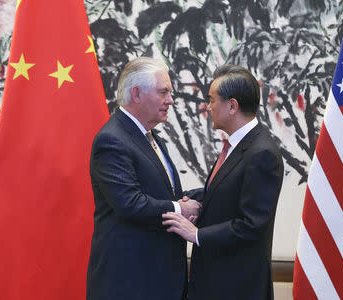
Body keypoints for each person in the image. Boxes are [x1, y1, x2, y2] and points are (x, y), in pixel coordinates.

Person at [163, 64, 284, 300]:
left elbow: (250, 225)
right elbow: (225, 192)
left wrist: (196, 234)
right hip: (216, 283)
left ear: (232, 106)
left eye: (212, 100)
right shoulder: (239, 145)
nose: (208, 107)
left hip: (237, 287)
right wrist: (193, 201)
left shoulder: (262, 153)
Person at [86, 57, 201, 300]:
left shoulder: (150, 137)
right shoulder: (112, 140)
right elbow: (130, 203)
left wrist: (210, 194)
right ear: (136, 94)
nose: (171, 100)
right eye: (164, 92)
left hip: (158, 280)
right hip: (131, 284)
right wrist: (180, 209)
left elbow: (162, 194)